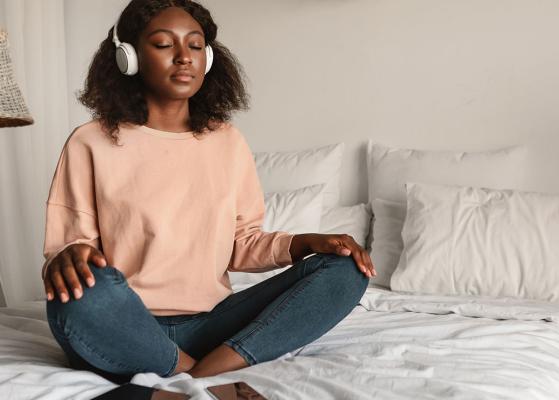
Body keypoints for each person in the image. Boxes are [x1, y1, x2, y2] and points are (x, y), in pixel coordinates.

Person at [42, 0, 375, 384]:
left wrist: (304, 243)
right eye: (164, 45)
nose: (184, 57)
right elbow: (69, 252)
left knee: (348, 267)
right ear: (128, 57)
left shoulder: (227, 141)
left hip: (212, 325)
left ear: (209, 58)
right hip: (125, 320)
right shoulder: (91, 142)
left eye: (195, 45)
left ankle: (207, 365)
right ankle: (187, 368)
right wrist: (71, 256)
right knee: (81, 295)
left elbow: (241, 244)